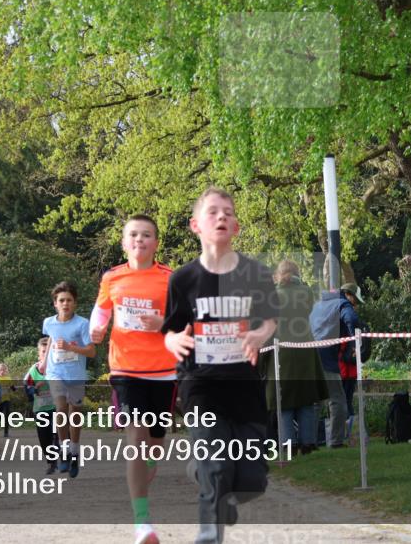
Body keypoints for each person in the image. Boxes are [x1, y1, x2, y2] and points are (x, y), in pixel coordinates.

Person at [162, 187, 280, 544]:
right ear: (195, 225)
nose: (222, 217)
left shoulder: (256, 274)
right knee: (216, 465)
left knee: (252, 481)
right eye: (213, 211)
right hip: (201, 385)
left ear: (237, 227)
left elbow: (270, 320)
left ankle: (206, 476)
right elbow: (169, 329)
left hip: (244, 384)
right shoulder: (182, 279)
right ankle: (209, 532)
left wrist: (259, 334)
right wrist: (172, 341)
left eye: (228, 212)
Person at [90, 214, 177, 544]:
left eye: (146, 235)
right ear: (124, 243)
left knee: (154, 442)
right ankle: (143, 523)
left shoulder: (170, 278)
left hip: (164, 371)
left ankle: (149, 462)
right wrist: (96, 330)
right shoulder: (112, 277)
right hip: (125, 369)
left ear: (156, 243)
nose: (139, 239)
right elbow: (102, 311)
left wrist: (163, 323)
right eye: (134, 235)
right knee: (136, 436)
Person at [260, 260, 327, 455]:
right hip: (305, 349)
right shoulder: (306, 292)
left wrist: (260, 360)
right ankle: (308, 443)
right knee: (306, 400)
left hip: (281, 351)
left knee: (283, 402)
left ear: (278, 275)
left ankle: (289, 445)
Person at [42, 281, 95, 478]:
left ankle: (74, 451)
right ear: (55, 303)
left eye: (69, 300)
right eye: (61, 300)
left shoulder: (82, 324)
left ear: (75, 303)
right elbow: (50, 339)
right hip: (55, 372)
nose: (65, 304)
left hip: (75, 375)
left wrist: (70, 348)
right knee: (60, 408)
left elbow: (91, 351)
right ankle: (64, 451)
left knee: (75, 414)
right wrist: (44, 362)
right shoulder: (49, 322)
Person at [308, 285, 348, 449]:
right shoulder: (341, 304)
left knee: (315, 403)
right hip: (327, 360)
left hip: (311, 356)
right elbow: (351, 319)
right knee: (337, 400)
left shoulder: (316, 306)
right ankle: (336, 441)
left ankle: (309, 442)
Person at [24, 337, 59, 474]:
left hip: (56, 409)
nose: (46, 354)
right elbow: (26, 386)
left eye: (49, 351)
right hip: (40, 410)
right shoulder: (33, 370)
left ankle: (57, 459)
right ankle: (51, 462)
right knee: (44, 439)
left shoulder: (57, 368)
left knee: (56, 435)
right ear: (39, 353)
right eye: (44, 351)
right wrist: (35, 389)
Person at [336, 282, 365, 443]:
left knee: (344, 401)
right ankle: (349, 434)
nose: (356, 305)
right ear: (348, 295)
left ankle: (348, 434)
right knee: (345, 401)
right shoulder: (346, 312)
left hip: (347, 366)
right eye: (355, 300)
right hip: (346, 367)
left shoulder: (340, 310)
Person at [0, 363, 13, 440]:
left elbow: (11, 386)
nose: (2, 371)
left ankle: (6, 432)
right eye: (0, 370)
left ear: (6, 371)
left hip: (6, 399)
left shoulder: (8, 378)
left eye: (4, 370)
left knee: (6, 415)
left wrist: (13, 388)